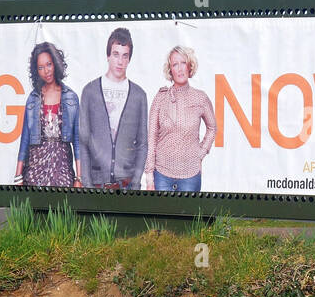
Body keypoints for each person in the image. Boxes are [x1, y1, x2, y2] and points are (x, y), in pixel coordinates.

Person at [78, 27, 147, 189]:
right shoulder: (90, 91)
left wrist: (136, 181)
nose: (120, 61)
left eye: (125, 56)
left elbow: (142, 143)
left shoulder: (139, 95)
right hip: (96, 182)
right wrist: (87, 184)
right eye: (116, 54)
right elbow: (83, 140)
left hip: (127, 184)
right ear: (108, 55)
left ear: (129, 59)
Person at [143, 46, 217, 192]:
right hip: (161, 175)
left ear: (190, 66)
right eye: (175, 64)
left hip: (191, 175)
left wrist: (200, 153)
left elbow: (212, 128)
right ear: (170, 70)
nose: (180, 68)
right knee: (161, 215)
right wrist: (149, 176)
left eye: (183, 62)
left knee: (189, 215)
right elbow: (151, 138)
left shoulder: (200, 98)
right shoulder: (160, 98)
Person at [15, 42, 82, 188]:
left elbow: (77, 140)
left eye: (49, 64)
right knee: (35, 209)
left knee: (62, 208)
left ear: (56, 64)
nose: (46, 71)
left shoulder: (71, 98)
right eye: (41, 67)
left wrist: (79, 177)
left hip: (62, 164)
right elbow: (25, 139)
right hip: (35, 166)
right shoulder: (33, 98)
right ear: (36, 71)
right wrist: (18, 176)